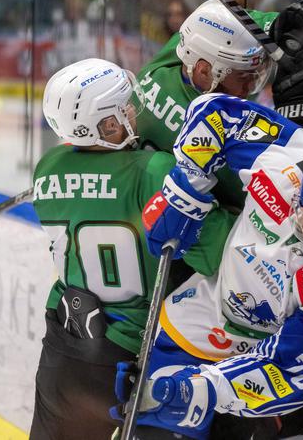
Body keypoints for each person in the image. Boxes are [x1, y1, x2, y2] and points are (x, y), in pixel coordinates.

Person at [113, 89, 303, 438]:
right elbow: (215, 112)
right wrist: (187, 186)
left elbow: (284, 369)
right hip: (199, 324)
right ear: (302, 198)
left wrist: (206, 389)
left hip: (258, 358)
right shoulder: (290, 159)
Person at [28, 58, 235, 440]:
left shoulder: (47, 168)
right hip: (129, 360)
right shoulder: (153, 170)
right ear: (107, 125)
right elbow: (218, 253)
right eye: (124, 108)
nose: (134, 111)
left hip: (63, 348)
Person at [136, 0, 303, 207]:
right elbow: (285, 199)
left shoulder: (168, 64)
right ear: (204, 71)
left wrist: (276, 25)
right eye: (243, 77)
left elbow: (220, 20)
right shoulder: (204, 132)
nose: (248, 89)